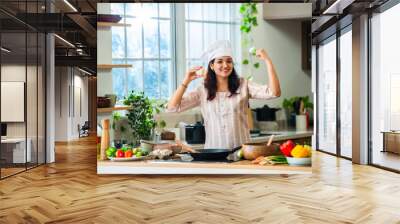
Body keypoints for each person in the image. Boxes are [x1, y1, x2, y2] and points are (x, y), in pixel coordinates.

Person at [166, 40, 281, 149]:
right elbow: (172, 108)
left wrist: (267, 61)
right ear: (211, 65)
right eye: (220, 61)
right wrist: (186, 81)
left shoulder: (243, 85)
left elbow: (274, 92)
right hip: (213, 155)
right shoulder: (203, 91)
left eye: (229, 61)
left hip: (241, 153)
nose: (225, 65)